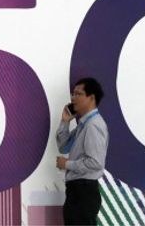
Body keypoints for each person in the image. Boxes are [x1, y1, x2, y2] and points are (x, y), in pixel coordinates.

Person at [55, 77, 108, 225]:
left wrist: (67, 164)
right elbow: (63, 146)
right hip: (78, 191)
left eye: (78, 94)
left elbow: (96, 163)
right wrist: (65, 121)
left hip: (83, 191)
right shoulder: (84, 124)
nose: (73, 98)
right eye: (73, 94)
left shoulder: (93, 125)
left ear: (91, 98)